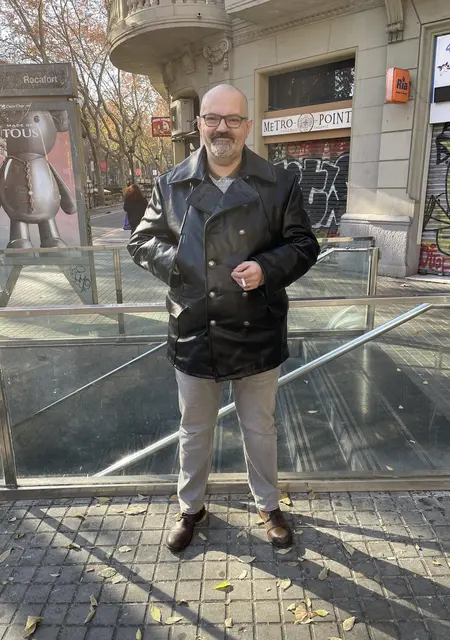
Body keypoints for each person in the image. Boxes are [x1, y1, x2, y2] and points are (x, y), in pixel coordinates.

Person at [128, 84, 320, 551]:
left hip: (257, 325)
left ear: (247, 126)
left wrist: (267, 269)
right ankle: (190, 508)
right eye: (213, 118)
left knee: (260, 428)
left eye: (233, 119)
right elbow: (141, 241)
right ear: (199, 125)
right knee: (194, 430)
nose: (222, 128)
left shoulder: (279, 182)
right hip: (195, 327)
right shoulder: (171, 183)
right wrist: (181, 264)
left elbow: (304, 244)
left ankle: (268, 506)